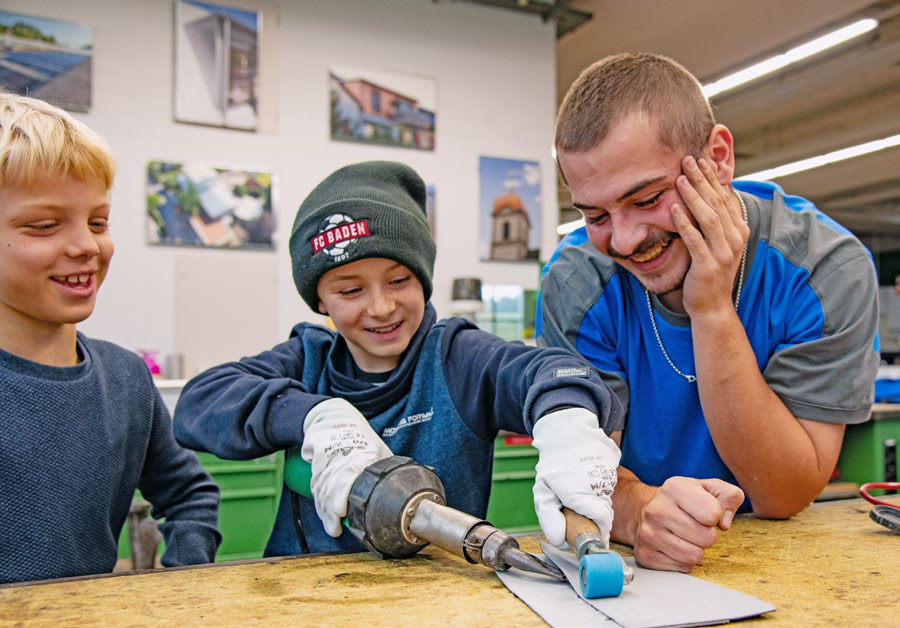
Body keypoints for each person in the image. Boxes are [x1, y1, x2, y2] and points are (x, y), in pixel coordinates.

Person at [537, 53, 880, 573]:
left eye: (648, 198)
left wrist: (712, 309)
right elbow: (580, 479)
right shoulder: (576, 283)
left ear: (718, 158)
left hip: (781, 559)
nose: (625, 239)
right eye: (595, 215)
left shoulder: (825, 269)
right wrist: (639, 512)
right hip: (636, 566)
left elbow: (783, 493)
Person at [174, 160, 622, 557]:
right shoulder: (306, 361)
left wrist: (566, 418)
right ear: (321, 302)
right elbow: (199, 402)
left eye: (399, 280)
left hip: (435, 603)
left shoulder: (457, 360)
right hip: (303, 598)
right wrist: (312, 416)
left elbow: (549, 371)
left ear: (423, 279)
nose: (382, 307)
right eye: (350, 290)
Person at [0, 92, 221, 585]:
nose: (86, 245)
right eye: (44, 225)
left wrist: (184, 580)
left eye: (98, 222)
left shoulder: (125, 378)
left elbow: (189, 493)